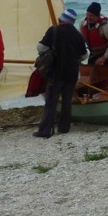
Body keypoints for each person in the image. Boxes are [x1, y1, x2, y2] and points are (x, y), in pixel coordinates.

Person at [34, 7, 87, 138]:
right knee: (67, 100)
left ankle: (45, 130)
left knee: (51, 101)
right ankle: (64, 128)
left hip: (56, 72)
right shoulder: (78, 35)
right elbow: (84, 55)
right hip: (72, 73)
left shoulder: (54, 30)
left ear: (61, 19)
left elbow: (40, 47)